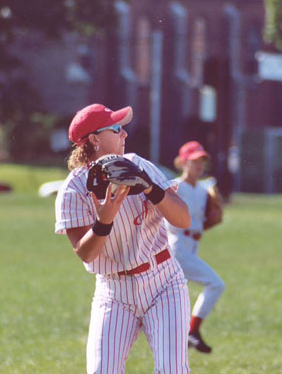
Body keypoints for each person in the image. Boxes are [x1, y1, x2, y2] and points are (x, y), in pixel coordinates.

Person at [55, 103, 192, 374]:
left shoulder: (138, 165)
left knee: (172, 370)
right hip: (114, 291)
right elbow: (85, 253)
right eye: (116, 128)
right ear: (94, 139)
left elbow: (183, 219)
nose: (124, 134)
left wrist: (152, 189)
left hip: (163, 282)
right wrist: (104, 221)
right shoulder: (73, 190)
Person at [166, 141, 225, 354]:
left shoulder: (202, 190)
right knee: (215, 284)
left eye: (202, 161)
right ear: (182, 162)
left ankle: (179, 337)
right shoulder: (173, 186)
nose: (199, 165)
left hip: (193, 244)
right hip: (176, 245)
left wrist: (212, 218)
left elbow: (204, 222)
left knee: (172, 297)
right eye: (194, 161)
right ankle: (192, 331)